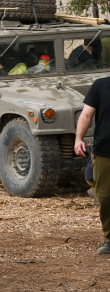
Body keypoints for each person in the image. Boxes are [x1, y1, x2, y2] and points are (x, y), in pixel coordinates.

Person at [74, 76, 110, 255]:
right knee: (105, 198)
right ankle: (109, 240)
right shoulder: (101, 85)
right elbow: (86, 115)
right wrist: (78, 139)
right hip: (104, 152)